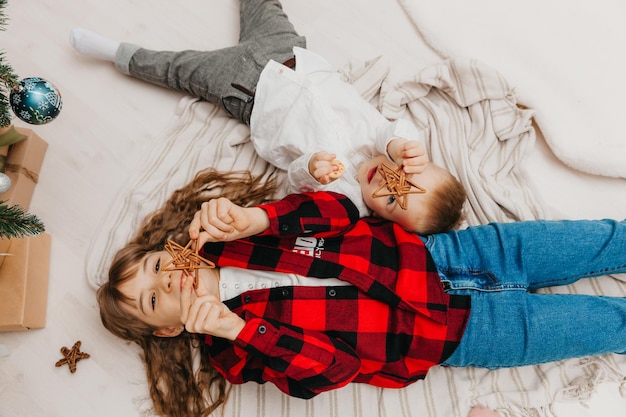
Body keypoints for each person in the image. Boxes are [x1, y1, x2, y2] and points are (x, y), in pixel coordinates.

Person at [98, 167, 626, 417]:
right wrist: (239, 328)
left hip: (454, 256)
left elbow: (341, 211)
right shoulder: (232, 352)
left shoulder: (240, 235)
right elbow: (335, 370)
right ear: (167, 327)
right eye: (151, 297)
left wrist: (257, 216)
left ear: (171, 249)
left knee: (603, 240)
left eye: (154, 265)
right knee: (611, 327)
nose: (166, 278)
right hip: (462, 337)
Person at [68, 0, 466, 235]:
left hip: (244, 90)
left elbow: (294, 182)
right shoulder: (383, 140)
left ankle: (118, 54)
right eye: (408, 175)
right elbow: (391, 129)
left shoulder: (345, 198)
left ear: (381, 218)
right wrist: (400, 145)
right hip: (292, 54)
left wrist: (311, 166)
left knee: (177, 69)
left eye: (393, 201)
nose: (389, 186)